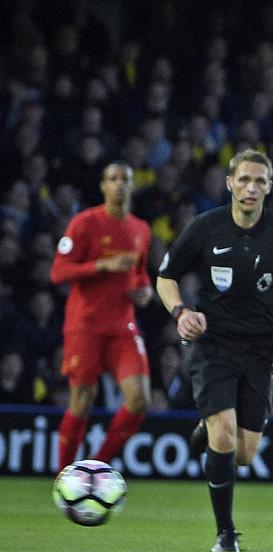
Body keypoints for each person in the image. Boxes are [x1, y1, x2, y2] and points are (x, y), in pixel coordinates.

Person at [155, 149, 273, 552]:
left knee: (244, 453)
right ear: (229, 183)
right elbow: (166, 277)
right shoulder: (205, 228)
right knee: (225, 437)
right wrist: (180, 312)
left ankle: (205, 430)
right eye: (243, 180)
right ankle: (225, 533)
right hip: (214, 345)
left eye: (259, 181)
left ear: (269, 187)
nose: (251, 188)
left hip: (261, 348)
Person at [50, 162, 152, 472]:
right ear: (103, 187)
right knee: (82, 399)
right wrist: (101, 266)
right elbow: (58, 272)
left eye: (125, 179)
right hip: (86, 325)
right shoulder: (84, 223)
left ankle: (96, 467)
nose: (119, 184)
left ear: (132, 186)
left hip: (123, 326)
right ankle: (65, 476)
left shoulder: (141, 229)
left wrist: (145, 292)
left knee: (139, 399)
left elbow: (140, 277)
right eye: (113, 179)